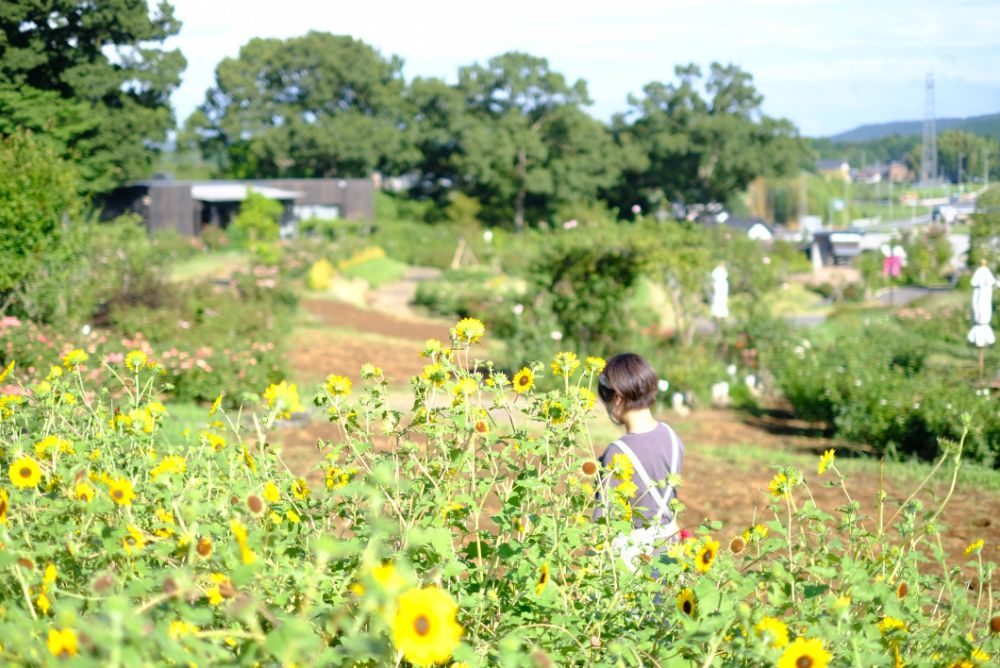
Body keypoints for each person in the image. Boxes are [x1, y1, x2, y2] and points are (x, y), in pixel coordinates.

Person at [594, 353, 684, 570]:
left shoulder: (617, 453)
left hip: (631, 558)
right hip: (667, 547)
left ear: (617, 399)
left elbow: (603, 523)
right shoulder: (672, 437)